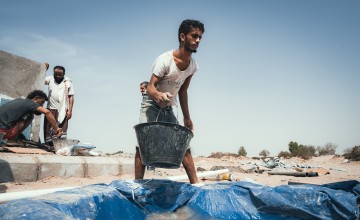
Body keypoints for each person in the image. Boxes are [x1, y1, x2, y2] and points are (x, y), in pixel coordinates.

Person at [135, 19, 205, 184]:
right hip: (151, 104)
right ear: (182, 36)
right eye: (194, 36)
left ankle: (195, 184)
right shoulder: (165, 60)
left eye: (200, 37)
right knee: (143, 142)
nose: (198, 41)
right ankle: (137, 185)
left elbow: (183, 91)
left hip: (168, 107)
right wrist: (158, 95)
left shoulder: (192, 66)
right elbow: (150, 88)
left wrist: (187, 118)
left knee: (183, 143)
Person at [44, 65, 75, 146]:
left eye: (60, 74)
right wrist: (44, 69)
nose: (57, 76)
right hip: (51, 109)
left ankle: (59, 147)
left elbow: (71, 96)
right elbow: (40, 79)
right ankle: (49, 146)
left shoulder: (68, 82)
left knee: (62, 130)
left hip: (63, 110)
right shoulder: (50, 79)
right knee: (49, 129)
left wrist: (70, 110)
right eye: (56, 74)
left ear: (63, 74)